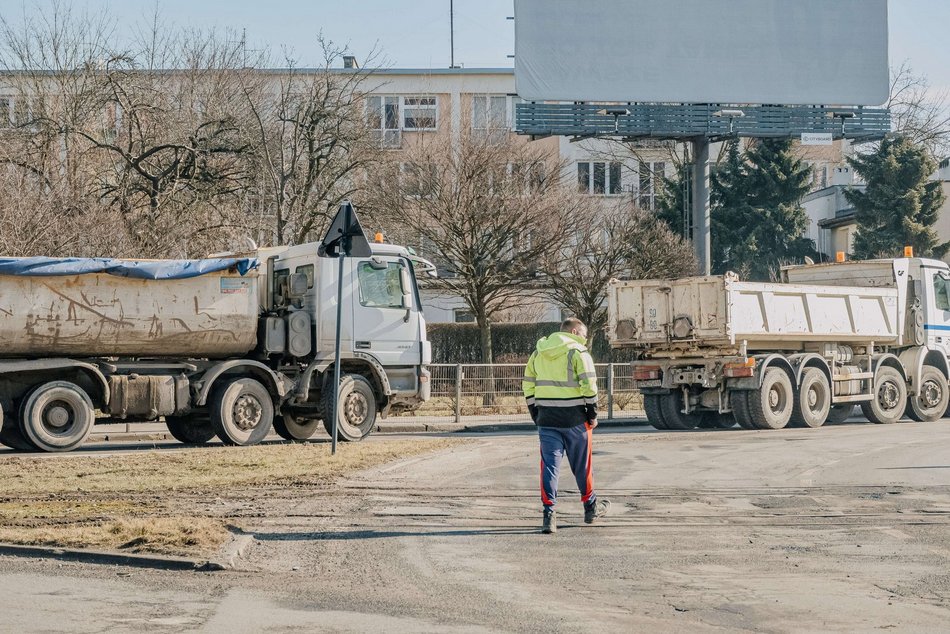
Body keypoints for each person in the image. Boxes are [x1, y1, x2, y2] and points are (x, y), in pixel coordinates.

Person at [522, 317, 610, 534]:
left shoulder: (538, 353)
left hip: (547, 419)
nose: (586, 340)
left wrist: (536, 413)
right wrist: (592, 415)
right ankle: (590, 508)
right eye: (584, 335)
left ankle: (549, 514)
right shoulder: (578, 353)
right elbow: (589, 385)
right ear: (574, 331)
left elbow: (528, 385)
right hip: (576, 420)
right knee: (583, 466)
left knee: (549, 467)